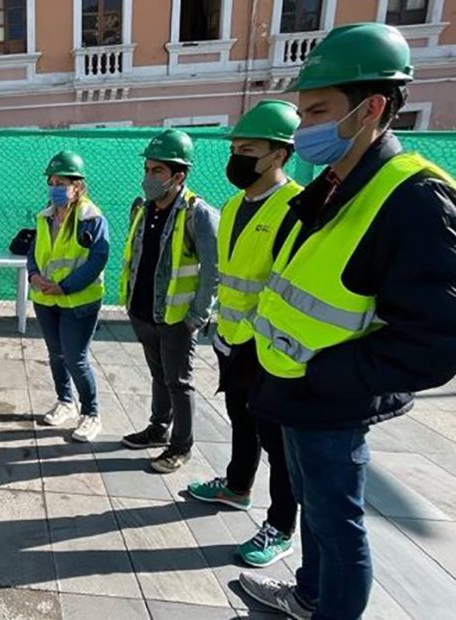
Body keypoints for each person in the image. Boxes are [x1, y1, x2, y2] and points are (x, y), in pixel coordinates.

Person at [237, 23, 456, 620]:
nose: (302, 128)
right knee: (316, 513)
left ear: (371, 109)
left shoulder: (414, 197)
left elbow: (436, 341)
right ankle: (309, 595)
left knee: (339, 526)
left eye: (317, 112)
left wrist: (330, 375)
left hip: (331, 401)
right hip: (294, 392)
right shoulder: (335, 184)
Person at [186, 100, 302, 568]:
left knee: (279, 441)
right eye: (234, 149)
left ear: (278, 154)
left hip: (270, 346)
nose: (236, 158)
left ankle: (282, 525)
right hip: (231, 338)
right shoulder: (234, 205)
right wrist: (219, 328)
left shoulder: (296, 208)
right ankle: (237, 486)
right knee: (241, 419)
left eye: (247, 150)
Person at [118, 129, 218, 473]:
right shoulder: (142, 209)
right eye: (147, 169)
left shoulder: (197, 213)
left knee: (179, 382)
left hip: (177, 318)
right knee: (159, 376)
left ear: (179, 176)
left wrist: (196, 316)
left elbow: (213, 270)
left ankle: (180, 446)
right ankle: (158, 428)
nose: (149, 177)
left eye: (157, 170)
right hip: (144, 312)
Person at [28, 151, 109, 443]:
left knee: (76, 358)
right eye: (51, 182)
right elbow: (33, 252)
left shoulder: (91, 218)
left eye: (61, 183)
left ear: (78, 186)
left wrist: (65, 287)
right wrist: (33, 275)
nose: (54, 188)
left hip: (79, 302)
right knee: (56, 353)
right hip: (46, 299)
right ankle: (65, 401)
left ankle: (91, 413)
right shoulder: (45, 216)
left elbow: (98, 259)